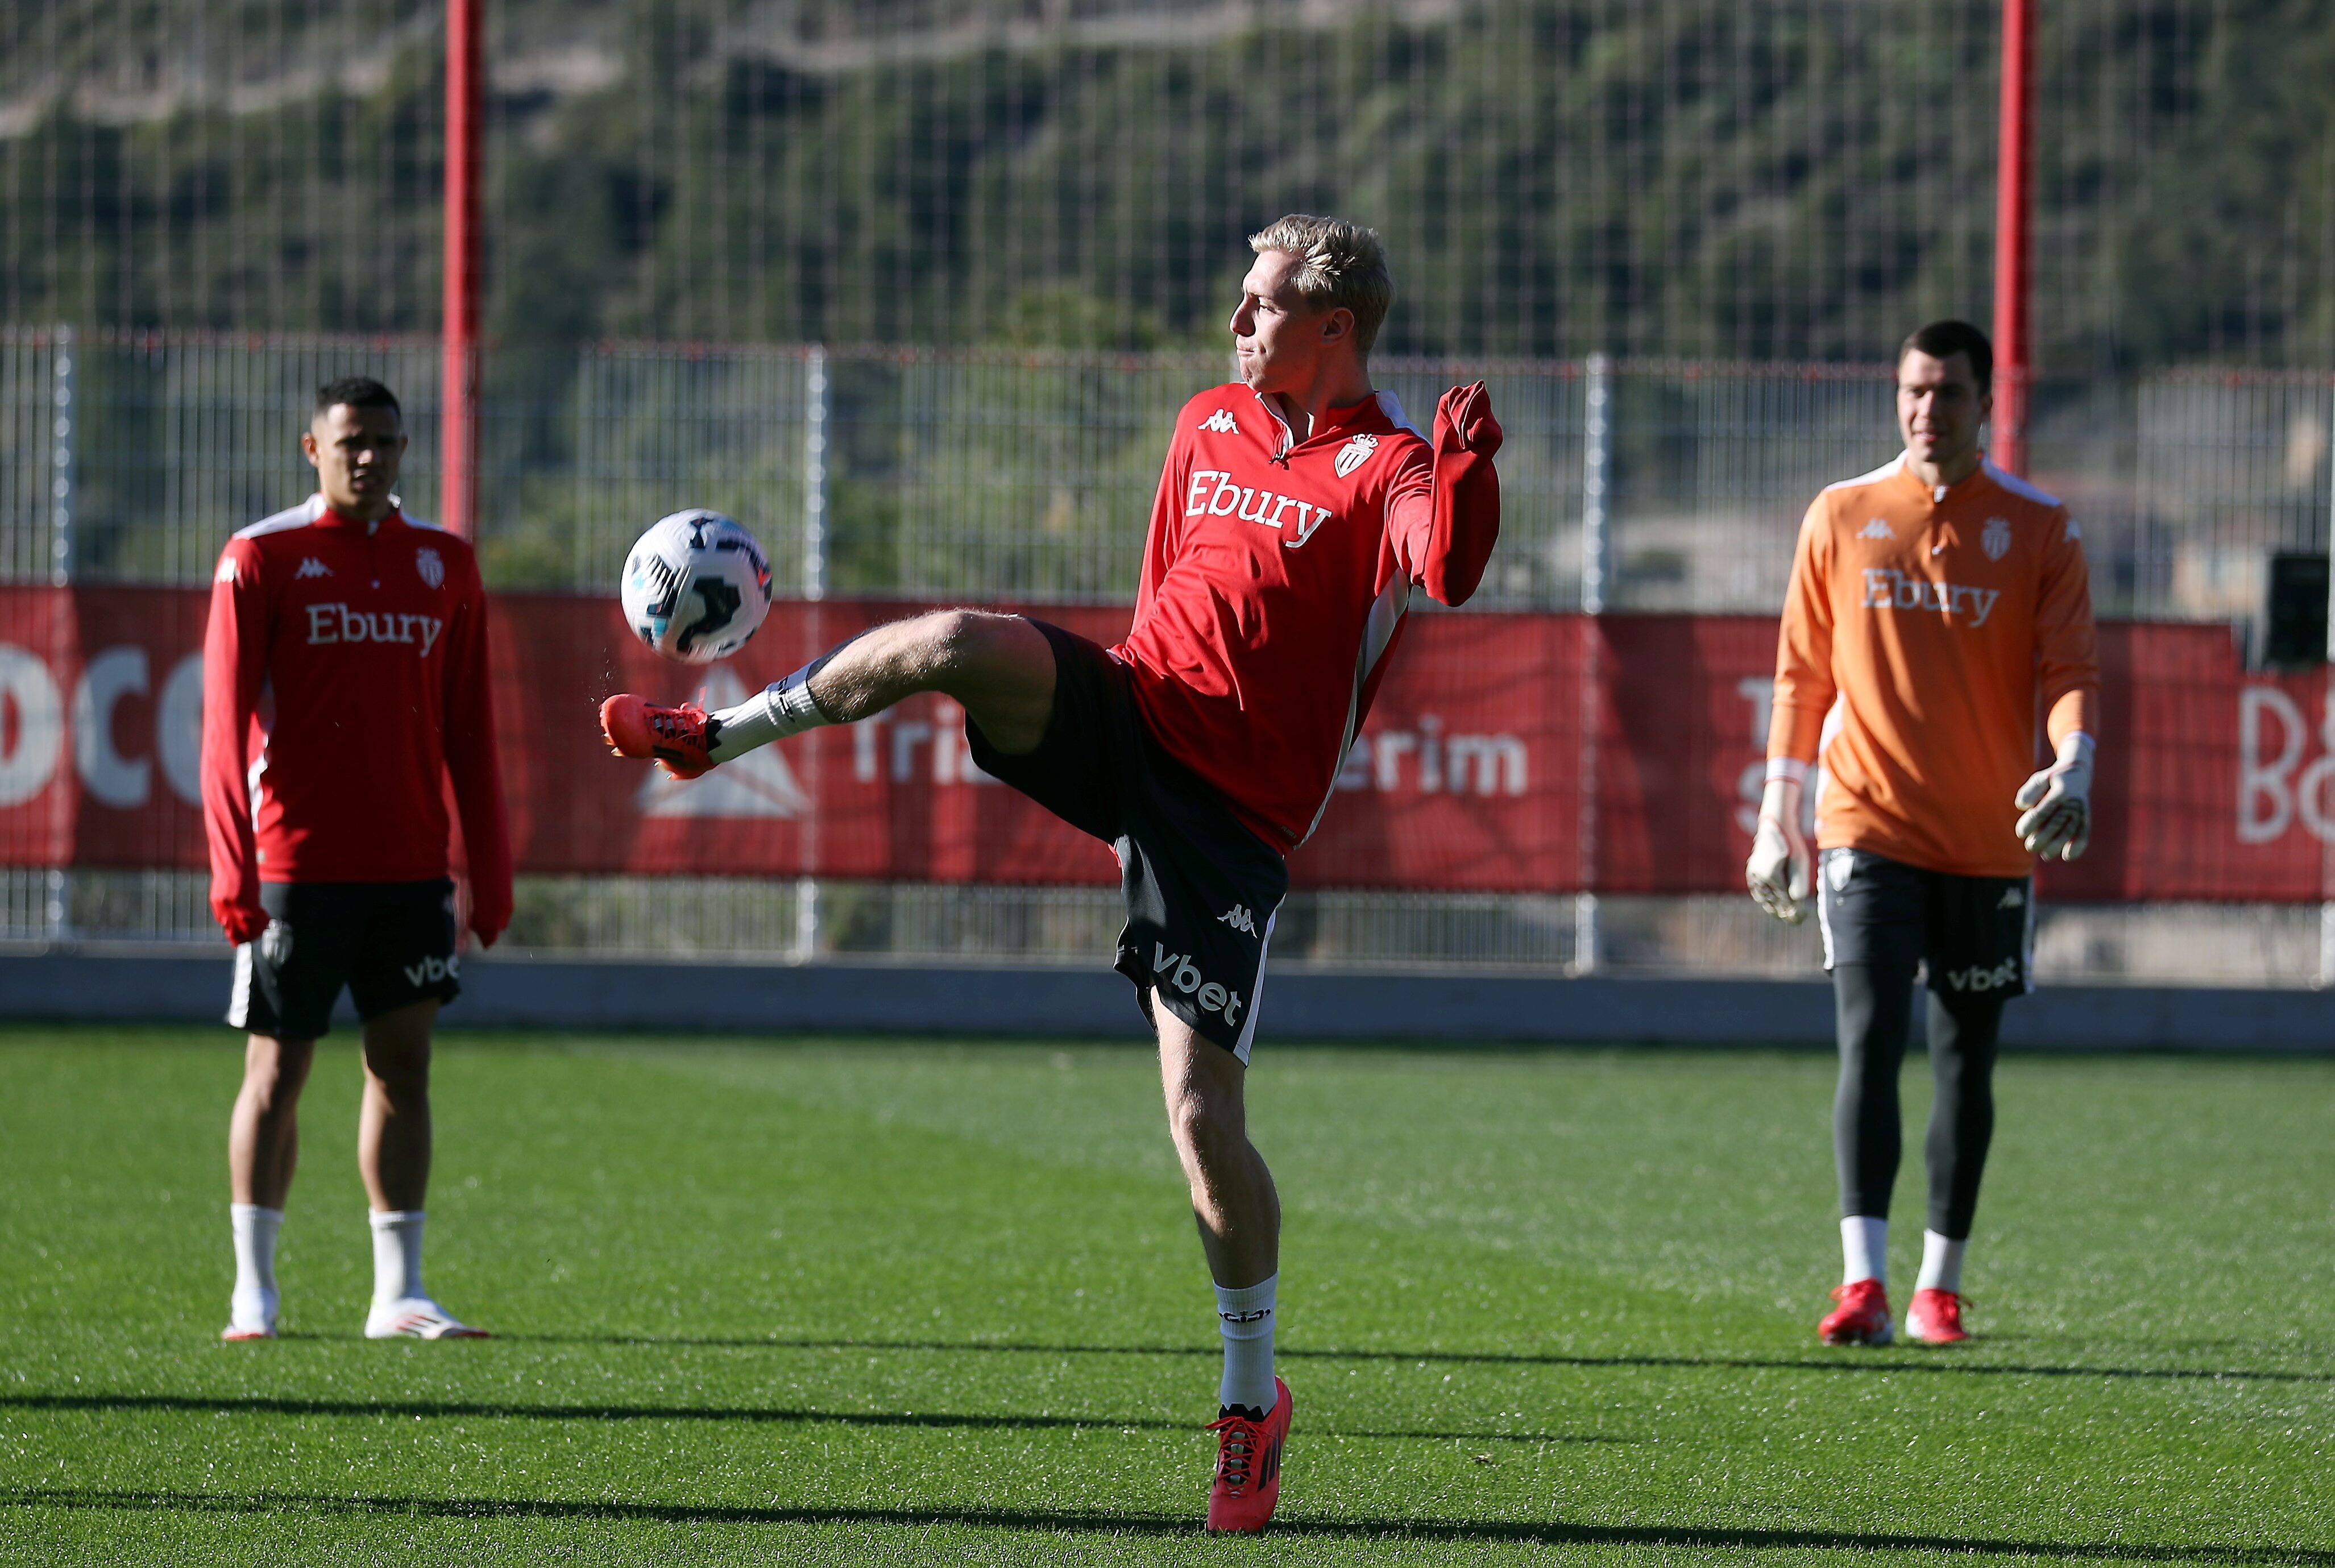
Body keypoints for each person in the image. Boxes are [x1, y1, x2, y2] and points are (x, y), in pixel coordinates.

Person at [600, 215, 1502, 1530]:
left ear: (1333, 329)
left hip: (1226, 821)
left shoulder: (1388, 462)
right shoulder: (1206, 423)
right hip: (1132, 710)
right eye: (1239, 302)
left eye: (1260, 306)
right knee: (957, 637)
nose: (1236, 323)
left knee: (1202, 1127)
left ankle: (1250, 1400)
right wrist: (1119, 724)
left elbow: (1449, 567)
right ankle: (713, 733)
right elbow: (1161, 583)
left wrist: (1470, 473)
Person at [1747, 320, 2098, 1348]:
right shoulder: (1843, 513)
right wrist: (1777, 814)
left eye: (1946, 391)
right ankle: (1863, 1281)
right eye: (1911, 390)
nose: (1924, 410)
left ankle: (1940, 1284)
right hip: (1865, 822)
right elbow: (1799, 676)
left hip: (1991, 837)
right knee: (1869, 1036)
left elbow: (2072, 672)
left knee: (1966, 1059)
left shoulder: (2040, 526)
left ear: (1986, 400)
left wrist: (2074, 764)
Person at [201, 376, 513, 1342]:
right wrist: (233, 866)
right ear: (313, 449)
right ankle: (255, 1288)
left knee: (403, 1071)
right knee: (276, 1074)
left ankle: (400, 1292)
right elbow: (221, 727)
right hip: (296, 865)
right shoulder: (262, 558)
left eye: (385, 440)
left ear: (405, 447)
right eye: (350, 442)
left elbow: (471, 729)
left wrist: (489, 868)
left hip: (411, 867)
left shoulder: (446, 565)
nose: (368, 456)